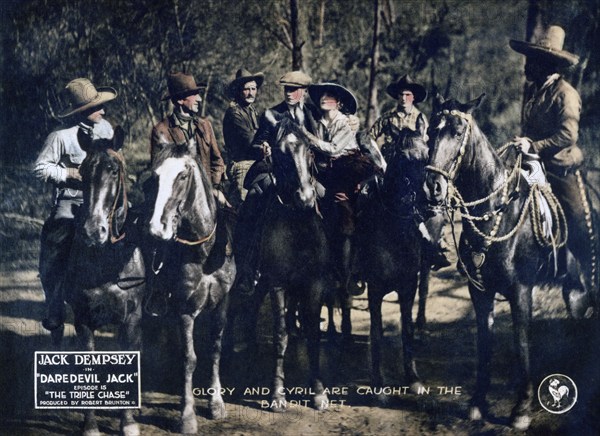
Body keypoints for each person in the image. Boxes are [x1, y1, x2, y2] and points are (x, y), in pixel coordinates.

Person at [510, 25, 597, 291]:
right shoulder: (537, 93)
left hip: (560, 167)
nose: (527, 66)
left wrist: (533, 145)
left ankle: (590, 277)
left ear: (547, 64)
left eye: (533, 61)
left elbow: (568, 135)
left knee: (578, 220)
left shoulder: (566, 94)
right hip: (533, 164)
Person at [34, 78, 117, 330]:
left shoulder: (107, 130)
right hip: (72, 200)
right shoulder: (60, 137)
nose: (102, 111)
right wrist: (67, 174)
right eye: (97, 107)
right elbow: (40, 168)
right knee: (57, 241)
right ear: (83, 111)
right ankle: (55, 303)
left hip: (103, 199)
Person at [234, 70, 320, 295]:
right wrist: (263, 148)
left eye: (294, 90)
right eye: (287, 89)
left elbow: (321, 143)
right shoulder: (271, 114)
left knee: (330, 198)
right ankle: (249, 267)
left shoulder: (312, 114)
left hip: (306, 172)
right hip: (276, 170)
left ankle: (335, 267)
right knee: (253, 199)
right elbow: (257, 141)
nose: (289, 93)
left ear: (303, 92)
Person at [301, 82, 378, 295]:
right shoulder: (317, 122)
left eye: (331, 97)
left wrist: (309, 138)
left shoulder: (344, 123)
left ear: (339, 103)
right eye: (323, 96)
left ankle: (353, 270)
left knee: (352, 211)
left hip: (350, 167)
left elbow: (334, 149)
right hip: (331, 172)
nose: (325, 99)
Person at [370, 74, 450, 270]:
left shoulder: (421, 119)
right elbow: (370, 137)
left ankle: (438, 242)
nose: (404, 98)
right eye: (401, 95)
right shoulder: (387, 118)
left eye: (407, 94)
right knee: (369, 196)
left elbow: (429, 144)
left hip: (415, 168)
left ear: (413, 97)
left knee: (434, 199)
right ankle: (366, 247)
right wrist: (378, 158)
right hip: (389, 167)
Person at [150, 72, 225, 196]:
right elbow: (158, 171)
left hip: (208, 193)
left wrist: (213, 187)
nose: (199, 99)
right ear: (180, 100)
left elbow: (217, 161)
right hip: (177, 196)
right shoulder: (161, 131)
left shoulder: (205, 125)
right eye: (194, 95)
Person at [222, 68, 264, 209]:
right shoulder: (234, 113)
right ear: (239, 91)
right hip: (241, 165)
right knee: (242, 207)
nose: (251, 93)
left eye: (253, 88)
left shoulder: (252, 111)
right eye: (247, 89)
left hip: (255, 163)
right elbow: (251, 139)